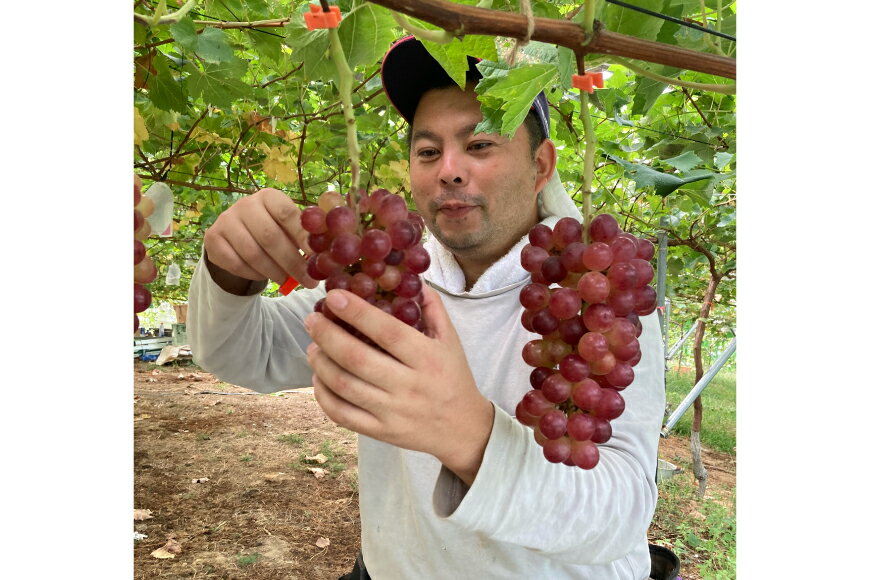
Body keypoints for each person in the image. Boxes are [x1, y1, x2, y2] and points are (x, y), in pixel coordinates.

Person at [188, 36, 666, 580]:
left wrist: (469, 436)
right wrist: (230, 270)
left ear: (541, 166)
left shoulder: (599, 300)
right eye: (428, 151)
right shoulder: (387, 281)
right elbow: (243, 354)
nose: (449, 170)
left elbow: (619, 514)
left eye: (480, 144)